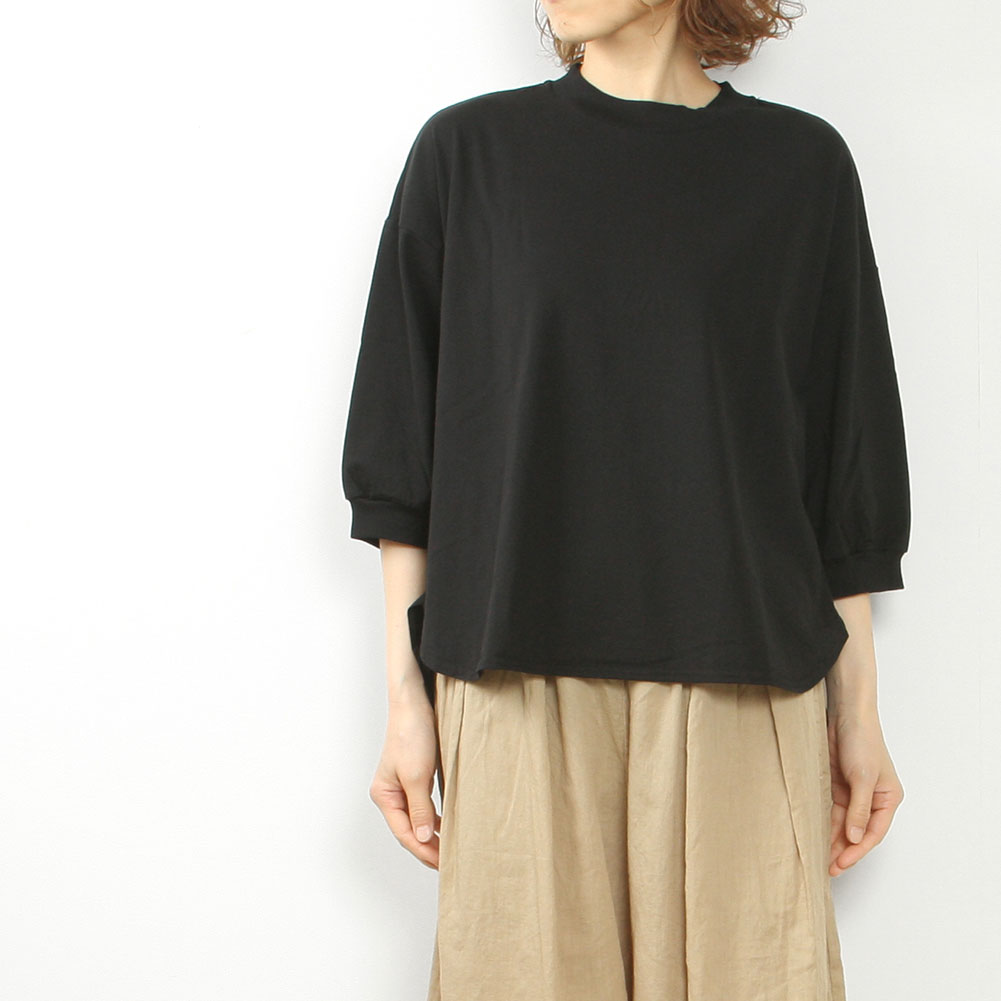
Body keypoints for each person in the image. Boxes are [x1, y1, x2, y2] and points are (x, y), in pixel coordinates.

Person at [340, 1, 911, 998]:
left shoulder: (799, 167)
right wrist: (403, 701)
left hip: (745, 682)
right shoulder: (469, 156)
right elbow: (400, 464)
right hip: (513, 679)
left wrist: (857, 711)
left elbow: (843, 465)